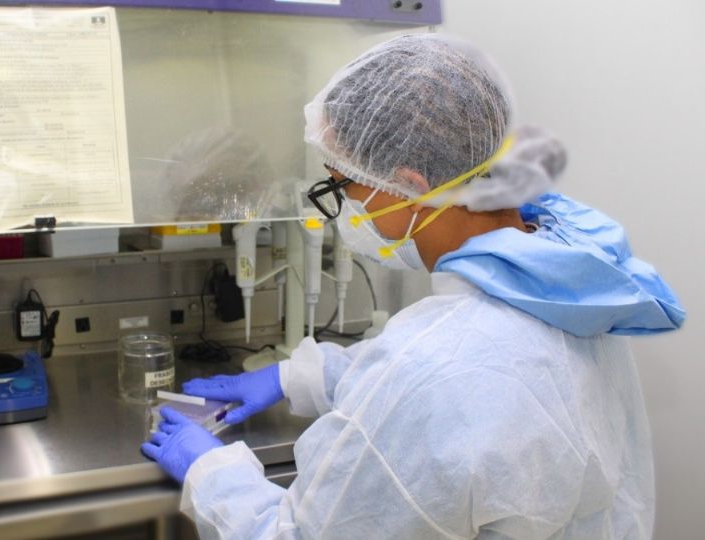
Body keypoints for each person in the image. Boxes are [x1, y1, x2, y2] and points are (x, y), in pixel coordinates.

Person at [141, 34, 685, 539]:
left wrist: (211, 473)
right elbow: (490, 393)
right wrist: (300, 375)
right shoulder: (564, 278)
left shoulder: (436, 367)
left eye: (343, 181)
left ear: (406, 185)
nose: (344, 204)